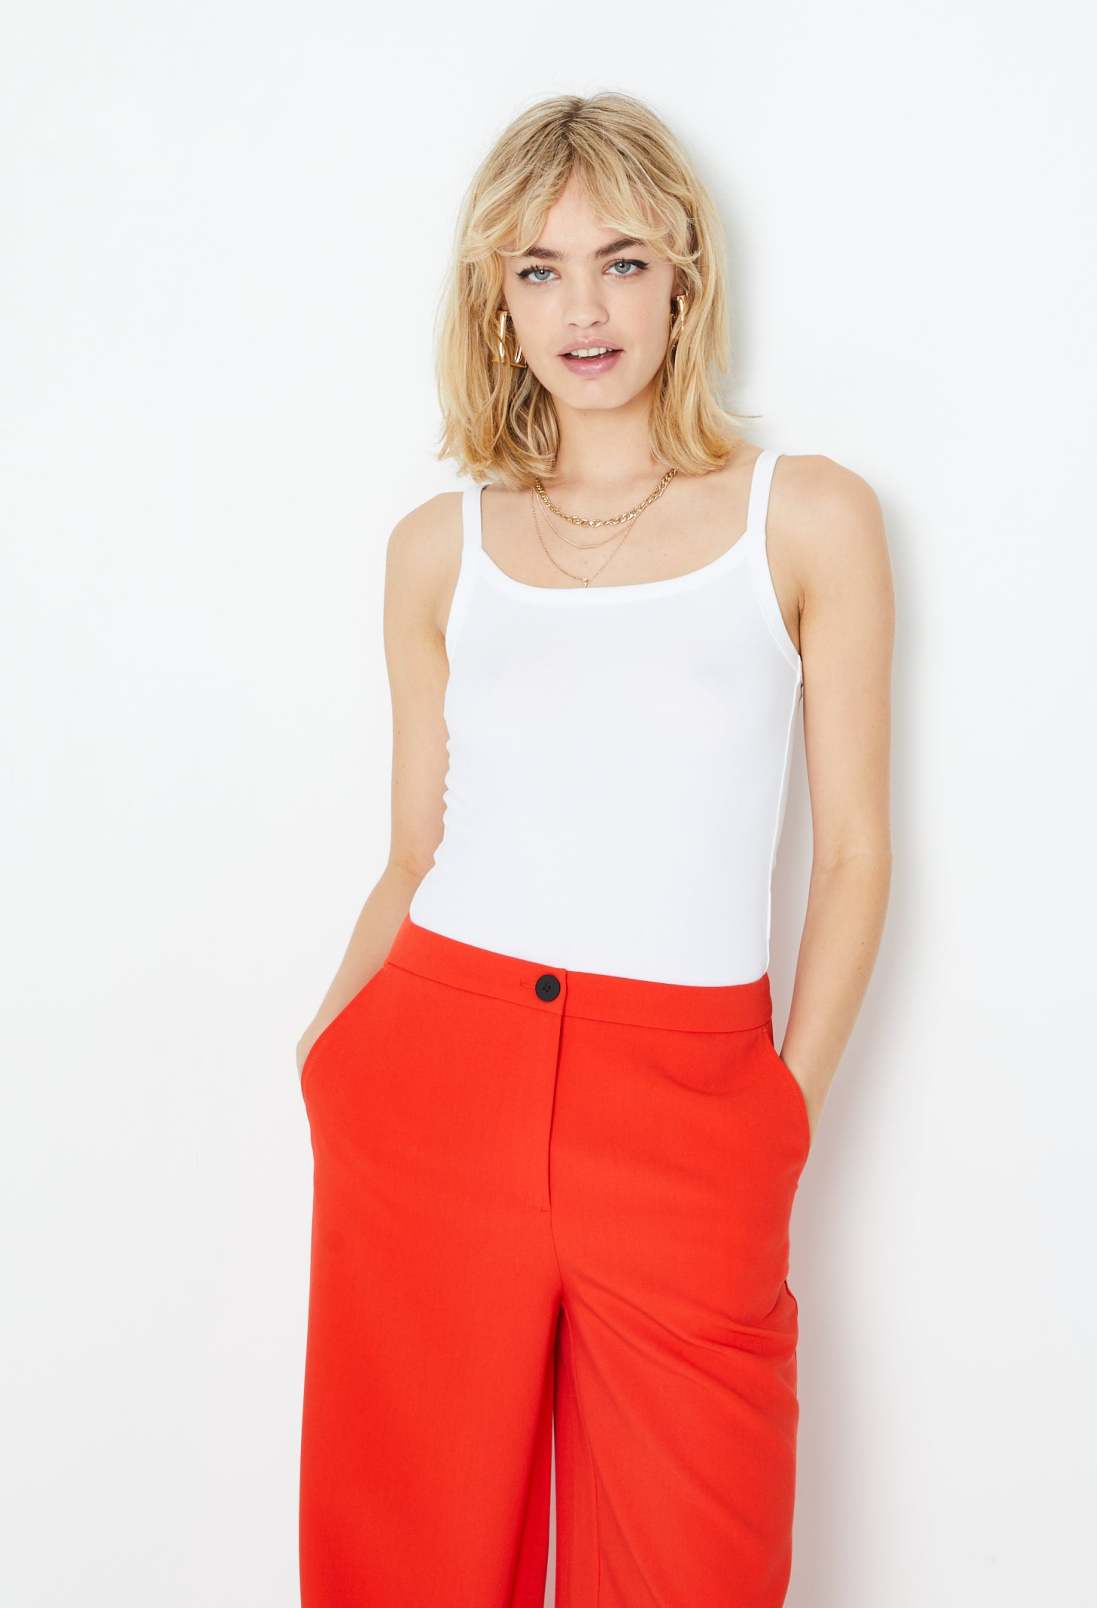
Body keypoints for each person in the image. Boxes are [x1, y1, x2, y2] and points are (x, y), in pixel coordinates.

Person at [294, 90, 895, 1606]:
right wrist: (330, 1056)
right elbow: (413, 850)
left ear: (683, 279)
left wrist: (779, 1117)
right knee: (407, 1561)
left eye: (622, 262)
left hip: (689, 1109)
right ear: (494, 302)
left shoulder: (806, 518)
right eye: (541, 268)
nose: (584, 308)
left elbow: (853, 855)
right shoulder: (438, 551)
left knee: (698, 1566)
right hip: (434, 1075)